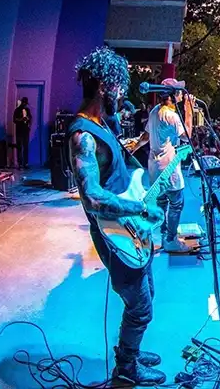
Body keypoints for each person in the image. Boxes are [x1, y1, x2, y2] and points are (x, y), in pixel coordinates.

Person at [67, 47, 166, 386]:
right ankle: (126, 368)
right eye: (119, 87)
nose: (123, 93)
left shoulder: (103, 122)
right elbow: (93, 196)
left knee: (148, 290)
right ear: (104, 87)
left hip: (132, 224)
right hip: (115, 231)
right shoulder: (82, 136)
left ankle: (131, 352)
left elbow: (119, 166)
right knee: (140, 307)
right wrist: (140, 207)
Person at [145, 79, 193, 253]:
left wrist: (134, 146)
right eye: (180, 91)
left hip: (154, 167)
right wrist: (189, 110)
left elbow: (145, 135)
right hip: (169, 168)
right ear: (174, 95)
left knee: (162, 200)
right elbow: (188, 136)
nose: (182, 94)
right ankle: (171, 240)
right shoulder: (172, 116)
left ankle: (164, 233)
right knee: (177, 202)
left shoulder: (154, 111)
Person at [13, 96, 33, 169]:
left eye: (26, 104)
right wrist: (21, 119)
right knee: (19, 147)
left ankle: (26, 163)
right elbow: (14, 120)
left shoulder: (27, 110)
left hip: (25, 130)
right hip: (19, 130)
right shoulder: (17, 110)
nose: (25, 105)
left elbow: (30, 118)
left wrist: (29, 122)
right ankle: (20, 163)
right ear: (22, 103)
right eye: (24, 103)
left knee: (26, 147)